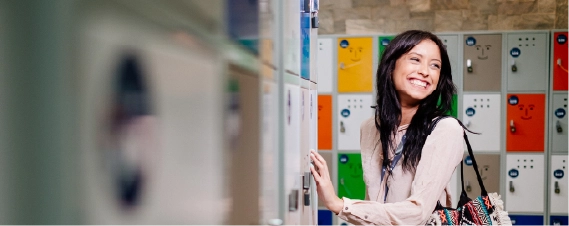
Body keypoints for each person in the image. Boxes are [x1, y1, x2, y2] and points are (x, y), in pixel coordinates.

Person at [310, 30, 464, 225]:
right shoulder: (370, 128)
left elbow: (419, 212)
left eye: (435, 65)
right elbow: (374, 207)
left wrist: (338, 204)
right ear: (391, 67)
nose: (425, 71)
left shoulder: (445, 129)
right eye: (415, 59)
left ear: (438, 81)